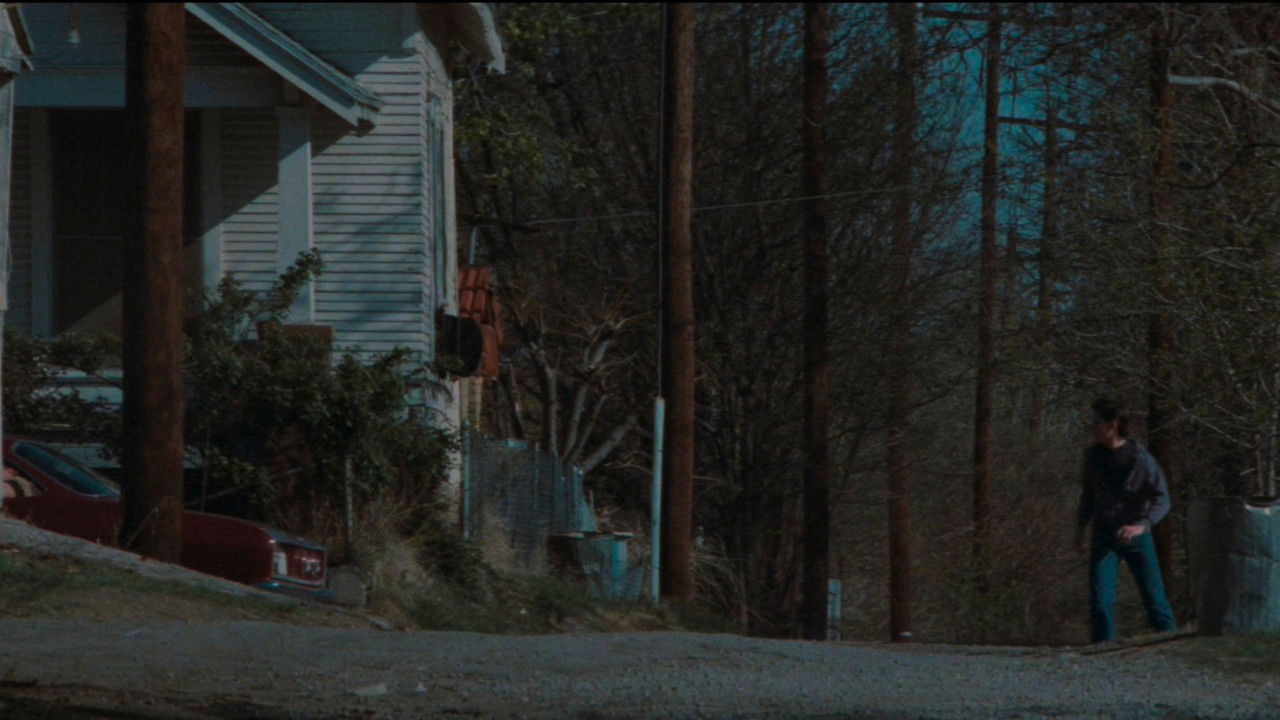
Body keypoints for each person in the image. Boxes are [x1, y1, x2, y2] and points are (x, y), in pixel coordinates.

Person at [1075, 397, 1178, 643]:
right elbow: (1088, 496)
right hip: (1104, 534)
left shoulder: (1140, 458)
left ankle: (1170, 645)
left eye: (1096, 422)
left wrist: (1141, 526)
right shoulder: (1093, 457)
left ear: (1112, 425)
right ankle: (1102, 651)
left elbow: (1162, 499)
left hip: (1137, 535)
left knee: (1155, 600)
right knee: (1101, 601)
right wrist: (1080, 529)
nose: (1092, 427)